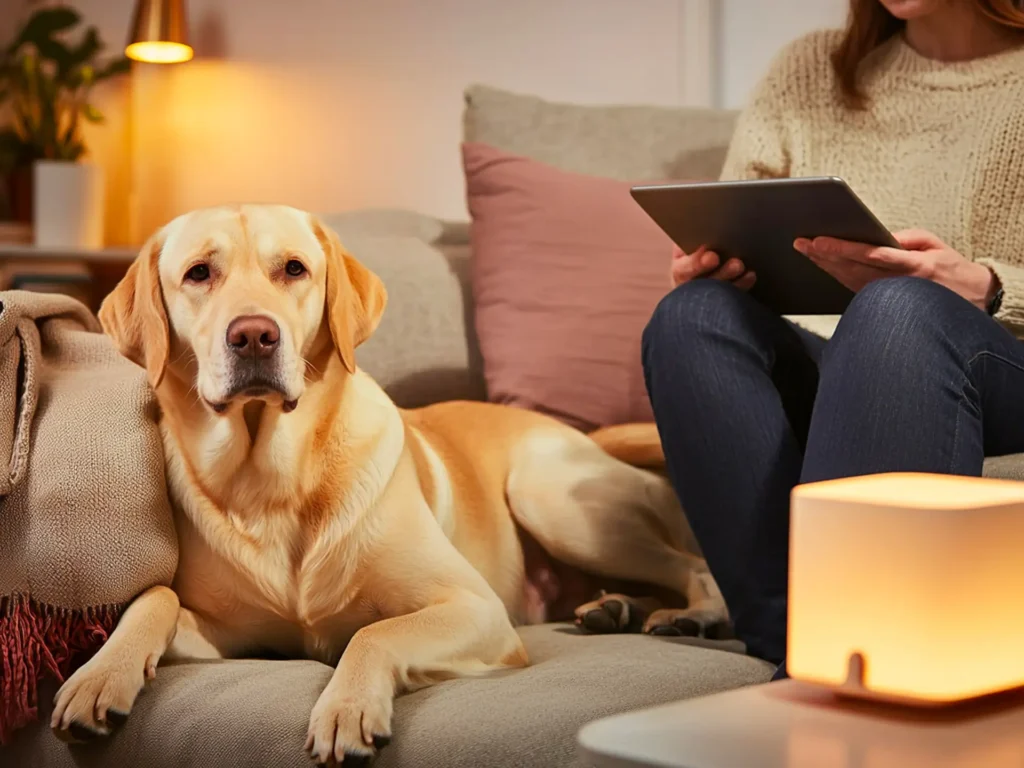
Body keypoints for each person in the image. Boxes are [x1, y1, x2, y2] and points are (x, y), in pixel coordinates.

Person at [641, 0, 1024, 677]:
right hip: (851, 363)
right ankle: (801, 653)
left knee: (897, 309)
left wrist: (990, 285)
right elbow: (737, 220)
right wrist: (718, 264)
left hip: (1000, 363)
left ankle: (858, 652)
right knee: (692, 315)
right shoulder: (809, 71)